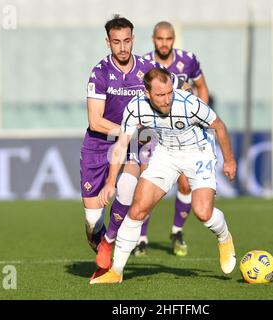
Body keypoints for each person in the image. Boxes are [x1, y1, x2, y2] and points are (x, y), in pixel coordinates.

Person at [90, 67, 237, 284]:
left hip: (198, 151)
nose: (167, 99)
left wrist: (229, 160)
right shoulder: (136, 107)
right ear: (147, 93)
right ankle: (116, 271)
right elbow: (122, 143)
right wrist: (111, 182)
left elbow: (219, 127)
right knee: (138, 208)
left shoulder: (189, 103)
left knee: (203, 212)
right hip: (166, 153)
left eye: (169, 92)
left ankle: (224, 239)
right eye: (160, 95)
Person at [82, 15, 182, 280]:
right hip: (98, 145)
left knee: (126, 186)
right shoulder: (100, 72)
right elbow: (95, 120)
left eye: (127, 41)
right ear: (108, 42)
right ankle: (102, 240)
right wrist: (125, 130)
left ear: (133, 40)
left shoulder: (147, 70)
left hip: (137, 143)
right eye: (116, 42)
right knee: (92, 221)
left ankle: (110, 247)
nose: (123, 47)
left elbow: (169, 96)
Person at [133, 21, 211, 257]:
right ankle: (141, 238)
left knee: (186, 182)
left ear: (174, 39)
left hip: (183, 132)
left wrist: (201, 115)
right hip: (153, 131)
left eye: (168, 39)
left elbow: (201, 87)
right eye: (160, 39)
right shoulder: (145, 63)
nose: (164, 43)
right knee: (148, 180)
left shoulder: (188, 59)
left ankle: (177, 232)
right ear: (153, 39)